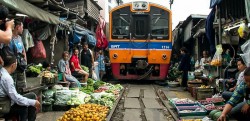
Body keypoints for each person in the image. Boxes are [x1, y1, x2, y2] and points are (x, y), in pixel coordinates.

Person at [0, 50, 40, 121]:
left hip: (6, 101)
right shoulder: (7, 78)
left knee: (32, 96)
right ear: (13, 65)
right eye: (16, 64)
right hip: (4, 106)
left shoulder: (2, 72)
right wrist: (33, 102)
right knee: (24, 106)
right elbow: (15, 98)